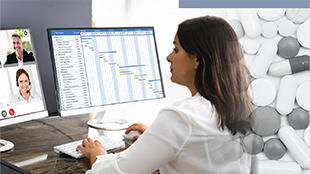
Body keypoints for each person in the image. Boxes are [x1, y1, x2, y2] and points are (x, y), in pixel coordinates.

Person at [76, 15, 255, 174]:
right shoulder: (240, 106)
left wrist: (98, 154)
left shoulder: (182, 116)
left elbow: (114, 173)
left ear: (198, 60)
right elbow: (202, 149)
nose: (169, 57)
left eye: (176, 50)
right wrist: (159, 137)